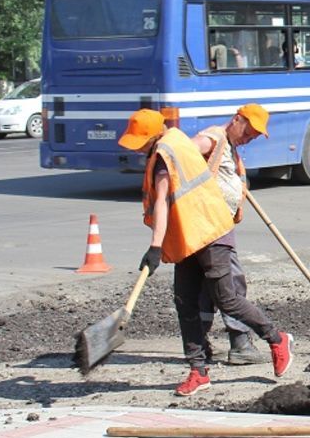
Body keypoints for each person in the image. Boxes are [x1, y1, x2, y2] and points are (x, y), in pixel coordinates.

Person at [118, 109, 293, 397]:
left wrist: (155, 247)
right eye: (248, 132)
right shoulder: (184, 144)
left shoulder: (165, 155)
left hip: (211, 232)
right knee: (185, 302)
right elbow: (171, 194)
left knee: (227, 298)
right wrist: (159, 245)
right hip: (189, 234)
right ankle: (198, 371)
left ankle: (277, 339)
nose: (249, 138)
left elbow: (161, 201)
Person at [191, 104, 271, 366]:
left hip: (213, 226)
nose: (252, 137)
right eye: (250, 131)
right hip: (210, 227)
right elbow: (183, 154)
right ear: (238, 119)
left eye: (256, 135)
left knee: (205, 287)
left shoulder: (230, 145)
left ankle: (201, 344)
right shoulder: (214, 138)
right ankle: (241, 344)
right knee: (232, 284)